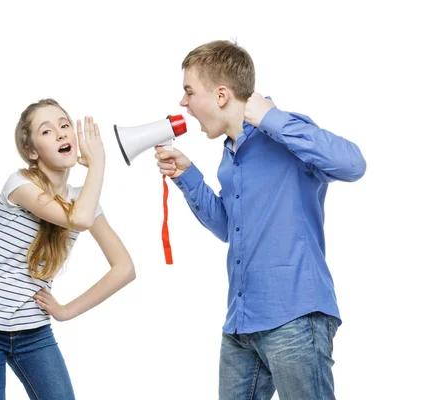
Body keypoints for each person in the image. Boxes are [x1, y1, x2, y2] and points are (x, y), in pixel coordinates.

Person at [155, 40, 366, 399]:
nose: (183, 102)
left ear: (221, 95)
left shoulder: (285, 133)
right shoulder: (229, 154)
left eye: (189, 91)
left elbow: (353, 164)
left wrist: (271, 117)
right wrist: (187, 176)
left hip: (295, 318)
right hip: (241, 324)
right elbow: (227, 228)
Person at [0, 98, 135, 399]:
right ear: (32, 151)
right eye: (47, 131)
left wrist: (65, 311)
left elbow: (124, 268)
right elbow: (79, 219)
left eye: (65, 125)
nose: (62, 134)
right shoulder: (19, 184)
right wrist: (98, 164)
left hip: (33, 330)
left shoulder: (84, 202)